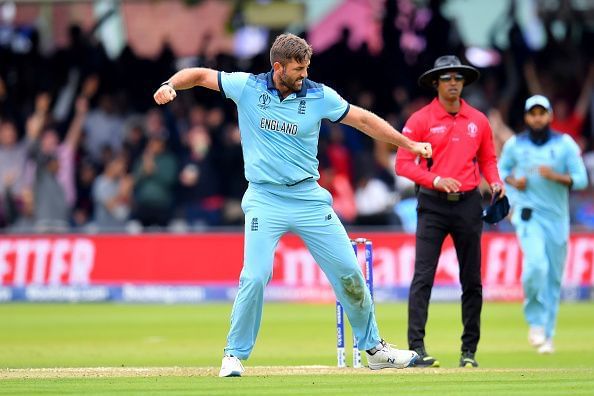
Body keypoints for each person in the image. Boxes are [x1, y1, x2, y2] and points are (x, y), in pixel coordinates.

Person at [154, 33, 432, 377]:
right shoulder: (247, 87)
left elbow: (362, 120)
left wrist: (408, 144)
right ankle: (233, 355)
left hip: (308, 198)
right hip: (264, 198)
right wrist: (170, 84)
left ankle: (374, 349)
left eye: (307, 67)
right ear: (278, 67)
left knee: (349, 273)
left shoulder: (319, 95)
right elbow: (197, 76)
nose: (304, 74)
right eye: (299, 69)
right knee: (255, 277)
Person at [395, 55, 505, 368]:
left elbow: (488, 160)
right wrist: (436, 180)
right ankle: (417, 348)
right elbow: (402, 164)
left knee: (471, 280)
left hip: (469, 204)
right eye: (447, 78)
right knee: (423, 278)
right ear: (435, 83)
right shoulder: (420, 120)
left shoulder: (478, 120)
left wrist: (495, 182)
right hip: (432, 204)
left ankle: (469, 352)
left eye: (458, 78)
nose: (454, 83)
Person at [498, 95, 588, 354]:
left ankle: (546, 335)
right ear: (526, 117)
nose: (537, 118)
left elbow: (581, 180)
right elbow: (501, 173)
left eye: (542, 113)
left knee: (553, 279)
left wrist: (556, 176)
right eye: (532, 113)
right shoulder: (515, 144)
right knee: (536, 265)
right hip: (529, 215)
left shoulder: (564, 145)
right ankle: (535, 321)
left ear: (549, 116)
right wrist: (515, 183)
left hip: (557, 219)